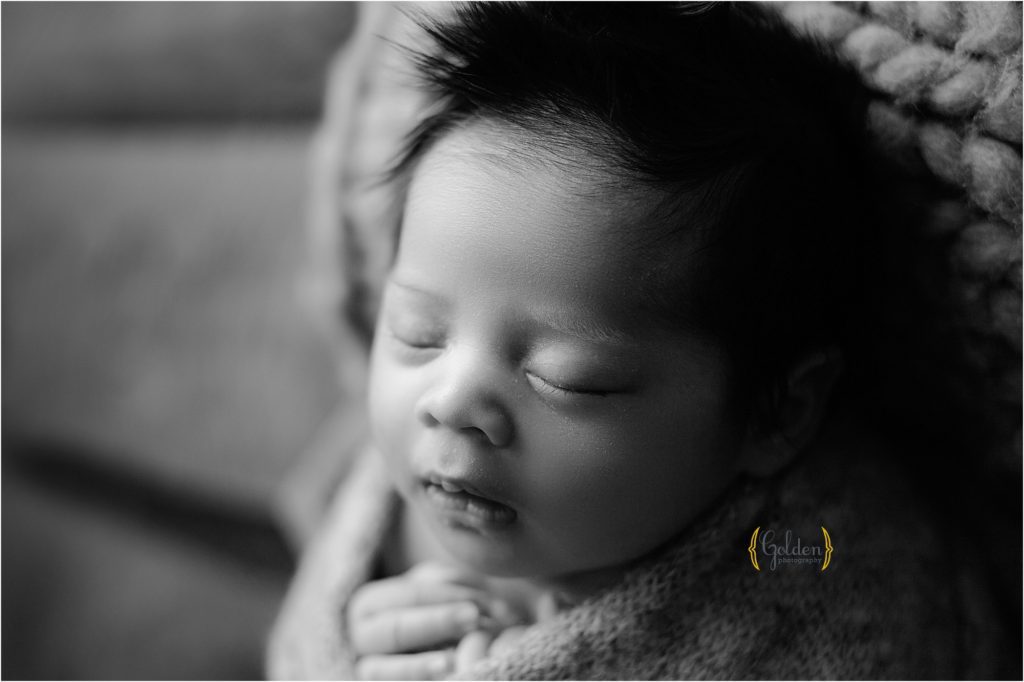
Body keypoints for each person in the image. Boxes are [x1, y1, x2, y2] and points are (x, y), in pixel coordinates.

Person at [268, 3, 1003, 679]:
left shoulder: (795, 550)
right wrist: (352, 646)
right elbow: (308, 632)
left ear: (777, 412)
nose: (450, 401)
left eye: (567, 379)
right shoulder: (402, 491)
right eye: (417, 334)